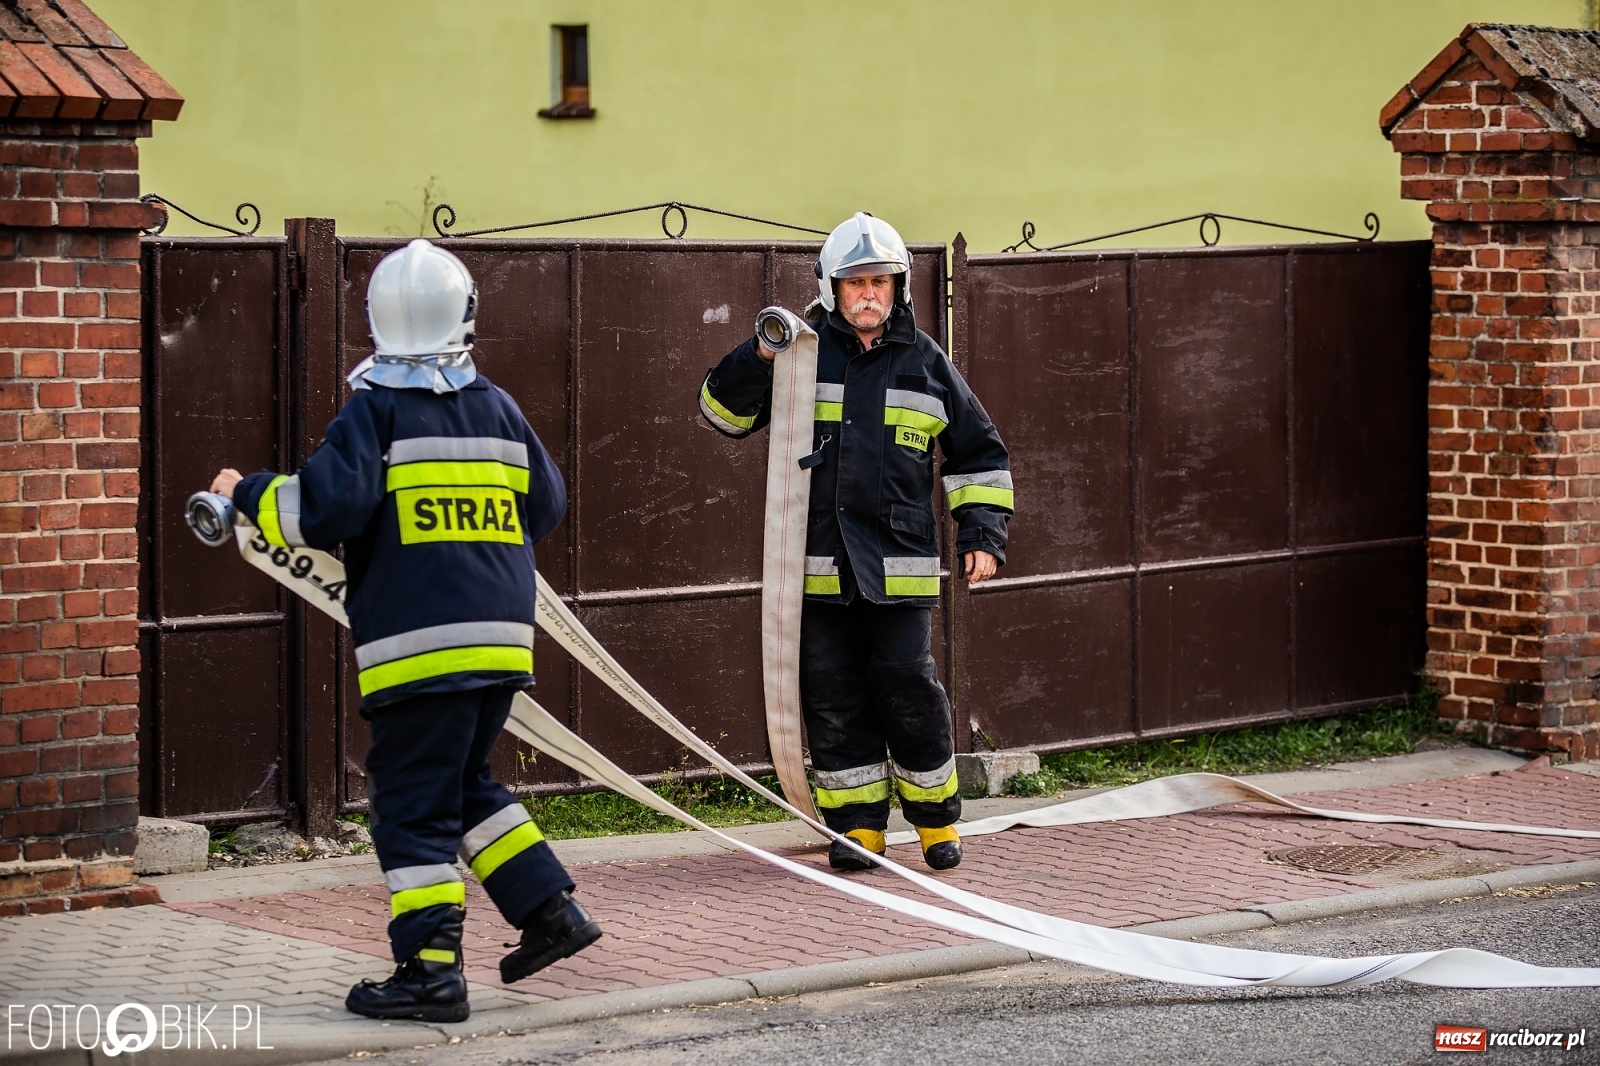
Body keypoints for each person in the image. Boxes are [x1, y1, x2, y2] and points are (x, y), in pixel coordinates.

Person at [209, 239, 600, 1023]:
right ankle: (550, 914)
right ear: (465, 315)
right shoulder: (497, 406)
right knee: (462, 786)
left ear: (376, 320)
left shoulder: (375, 410)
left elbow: (320, 511)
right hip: (500, 643)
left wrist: (244, 492)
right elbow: (547, 508)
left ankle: (429, 974)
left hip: (420, 653)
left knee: (410, 810)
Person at [697, 213, 1014, 871]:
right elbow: (721, 415)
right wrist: (759, 353)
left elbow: (978, 452)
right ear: (830, 288)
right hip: (817, 571)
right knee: (834, 700)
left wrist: (982, 532)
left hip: (899, 572)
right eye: (856, 283)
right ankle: (859, 832)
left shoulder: (927, 363)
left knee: (909, 690)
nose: (869, 294)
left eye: (881, 282)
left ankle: (935, 826)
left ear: (898, 287)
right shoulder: (799, 355)